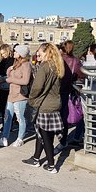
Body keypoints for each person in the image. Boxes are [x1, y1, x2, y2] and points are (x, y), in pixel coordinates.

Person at [22, 43, 65, 174]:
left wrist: (31, 98)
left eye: (40, 52)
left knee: (45, 135)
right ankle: (36, 158)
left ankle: (51, 164)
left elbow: (37, 87)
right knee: (42, 133)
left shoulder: (45, 66)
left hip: (44, 105)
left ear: (47, 52)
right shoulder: (57, 65)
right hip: (54, 103)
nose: (37, 54)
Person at [0, 45, 31, 147]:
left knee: (20, 118)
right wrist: (9, 70)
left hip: (20, 95)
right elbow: (9, 75)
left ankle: (20, 138)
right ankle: (4, 138)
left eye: (16, 52)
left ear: (21, 54)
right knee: (7, 116)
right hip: (11, 94)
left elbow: (25, 81)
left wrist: (10, 80)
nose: (14, 53)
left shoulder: (26, 65)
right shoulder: (16, 63)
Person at [55, 40, 84, 154]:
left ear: (62, 49)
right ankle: (63, 141)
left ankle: (55, 141)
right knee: (64, 118)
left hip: (56, 91)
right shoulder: (75, 61)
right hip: (68, 91)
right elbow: (82, 74)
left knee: (54, 116)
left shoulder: (57, 60)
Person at [0, 44, 15, 130]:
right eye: (1, 54)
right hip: (2, 86)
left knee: (9, 107)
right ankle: (4, 124)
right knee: (3, 106)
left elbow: (12, 74)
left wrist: (3, 78)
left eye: (4, 53)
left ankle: (9, 125)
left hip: (9, 85)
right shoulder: (2, 61)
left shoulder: (12, 61)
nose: (3, 55)